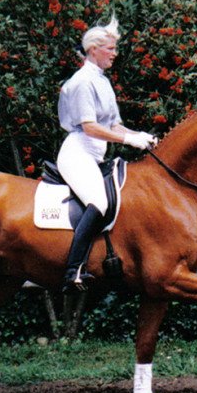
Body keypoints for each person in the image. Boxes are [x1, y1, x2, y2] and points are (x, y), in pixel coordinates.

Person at [57, 15, 156, 293]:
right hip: (78, 153)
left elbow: (113, 124)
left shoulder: (101, 81)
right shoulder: (81, 82)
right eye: (110, 49)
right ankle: (72, 271)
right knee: (99, 202)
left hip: (95, 154)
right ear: (94, 50)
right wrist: (127, 139)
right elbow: (89, 127)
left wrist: (138, 135)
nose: (115, 54)